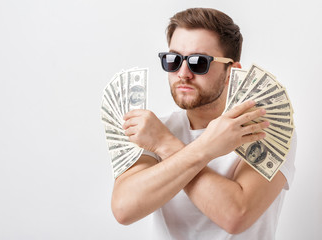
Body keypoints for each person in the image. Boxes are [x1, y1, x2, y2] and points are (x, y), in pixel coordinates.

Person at [111, 8, 296, 239]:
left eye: (199, 62)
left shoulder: (262, 128)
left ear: (232, 71)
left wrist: (166, 145)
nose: (183, 73)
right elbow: (124, 209)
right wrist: (205, 148)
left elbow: (236, 215)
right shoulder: (155, 130)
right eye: (174, 60)